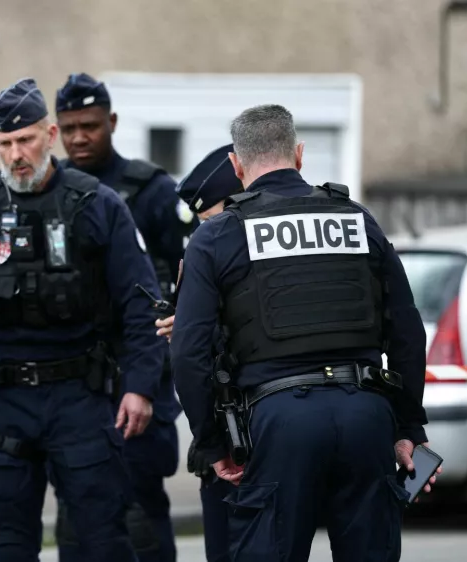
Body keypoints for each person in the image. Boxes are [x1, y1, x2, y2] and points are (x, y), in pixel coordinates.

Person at [170, 104, 439, 561]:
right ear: (299, 155)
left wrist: (214, 446)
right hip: (366, 416)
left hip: (278, 423)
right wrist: (409, 426)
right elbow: (408, 333)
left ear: (237, 166)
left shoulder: (215, 237)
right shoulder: (358, 220)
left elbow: (188, 351)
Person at [0, 77, 165, 562]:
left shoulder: (97, 204)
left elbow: (141, 303)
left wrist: (140, 385)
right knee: (9, 543)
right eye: (5, 143)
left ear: (49, 135)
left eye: (26, 140)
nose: (16, 154)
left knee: (101, 539)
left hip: (79, 395)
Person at [53, 71, 193, 562]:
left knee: (139, 514)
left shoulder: (151, 191)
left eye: (89, 125)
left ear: (111, 122)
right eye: (68, 127)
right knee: (76, 517)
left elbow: (189, 277)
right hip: (72, 381)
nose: (78, 137)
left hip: (137, 372)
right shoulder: (51, 189)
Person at [154, 142, 243, 562]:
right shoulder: (208, 246)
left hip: (243, 433)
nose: (206, 231)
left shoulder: (233, 243)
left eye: (210, 219)